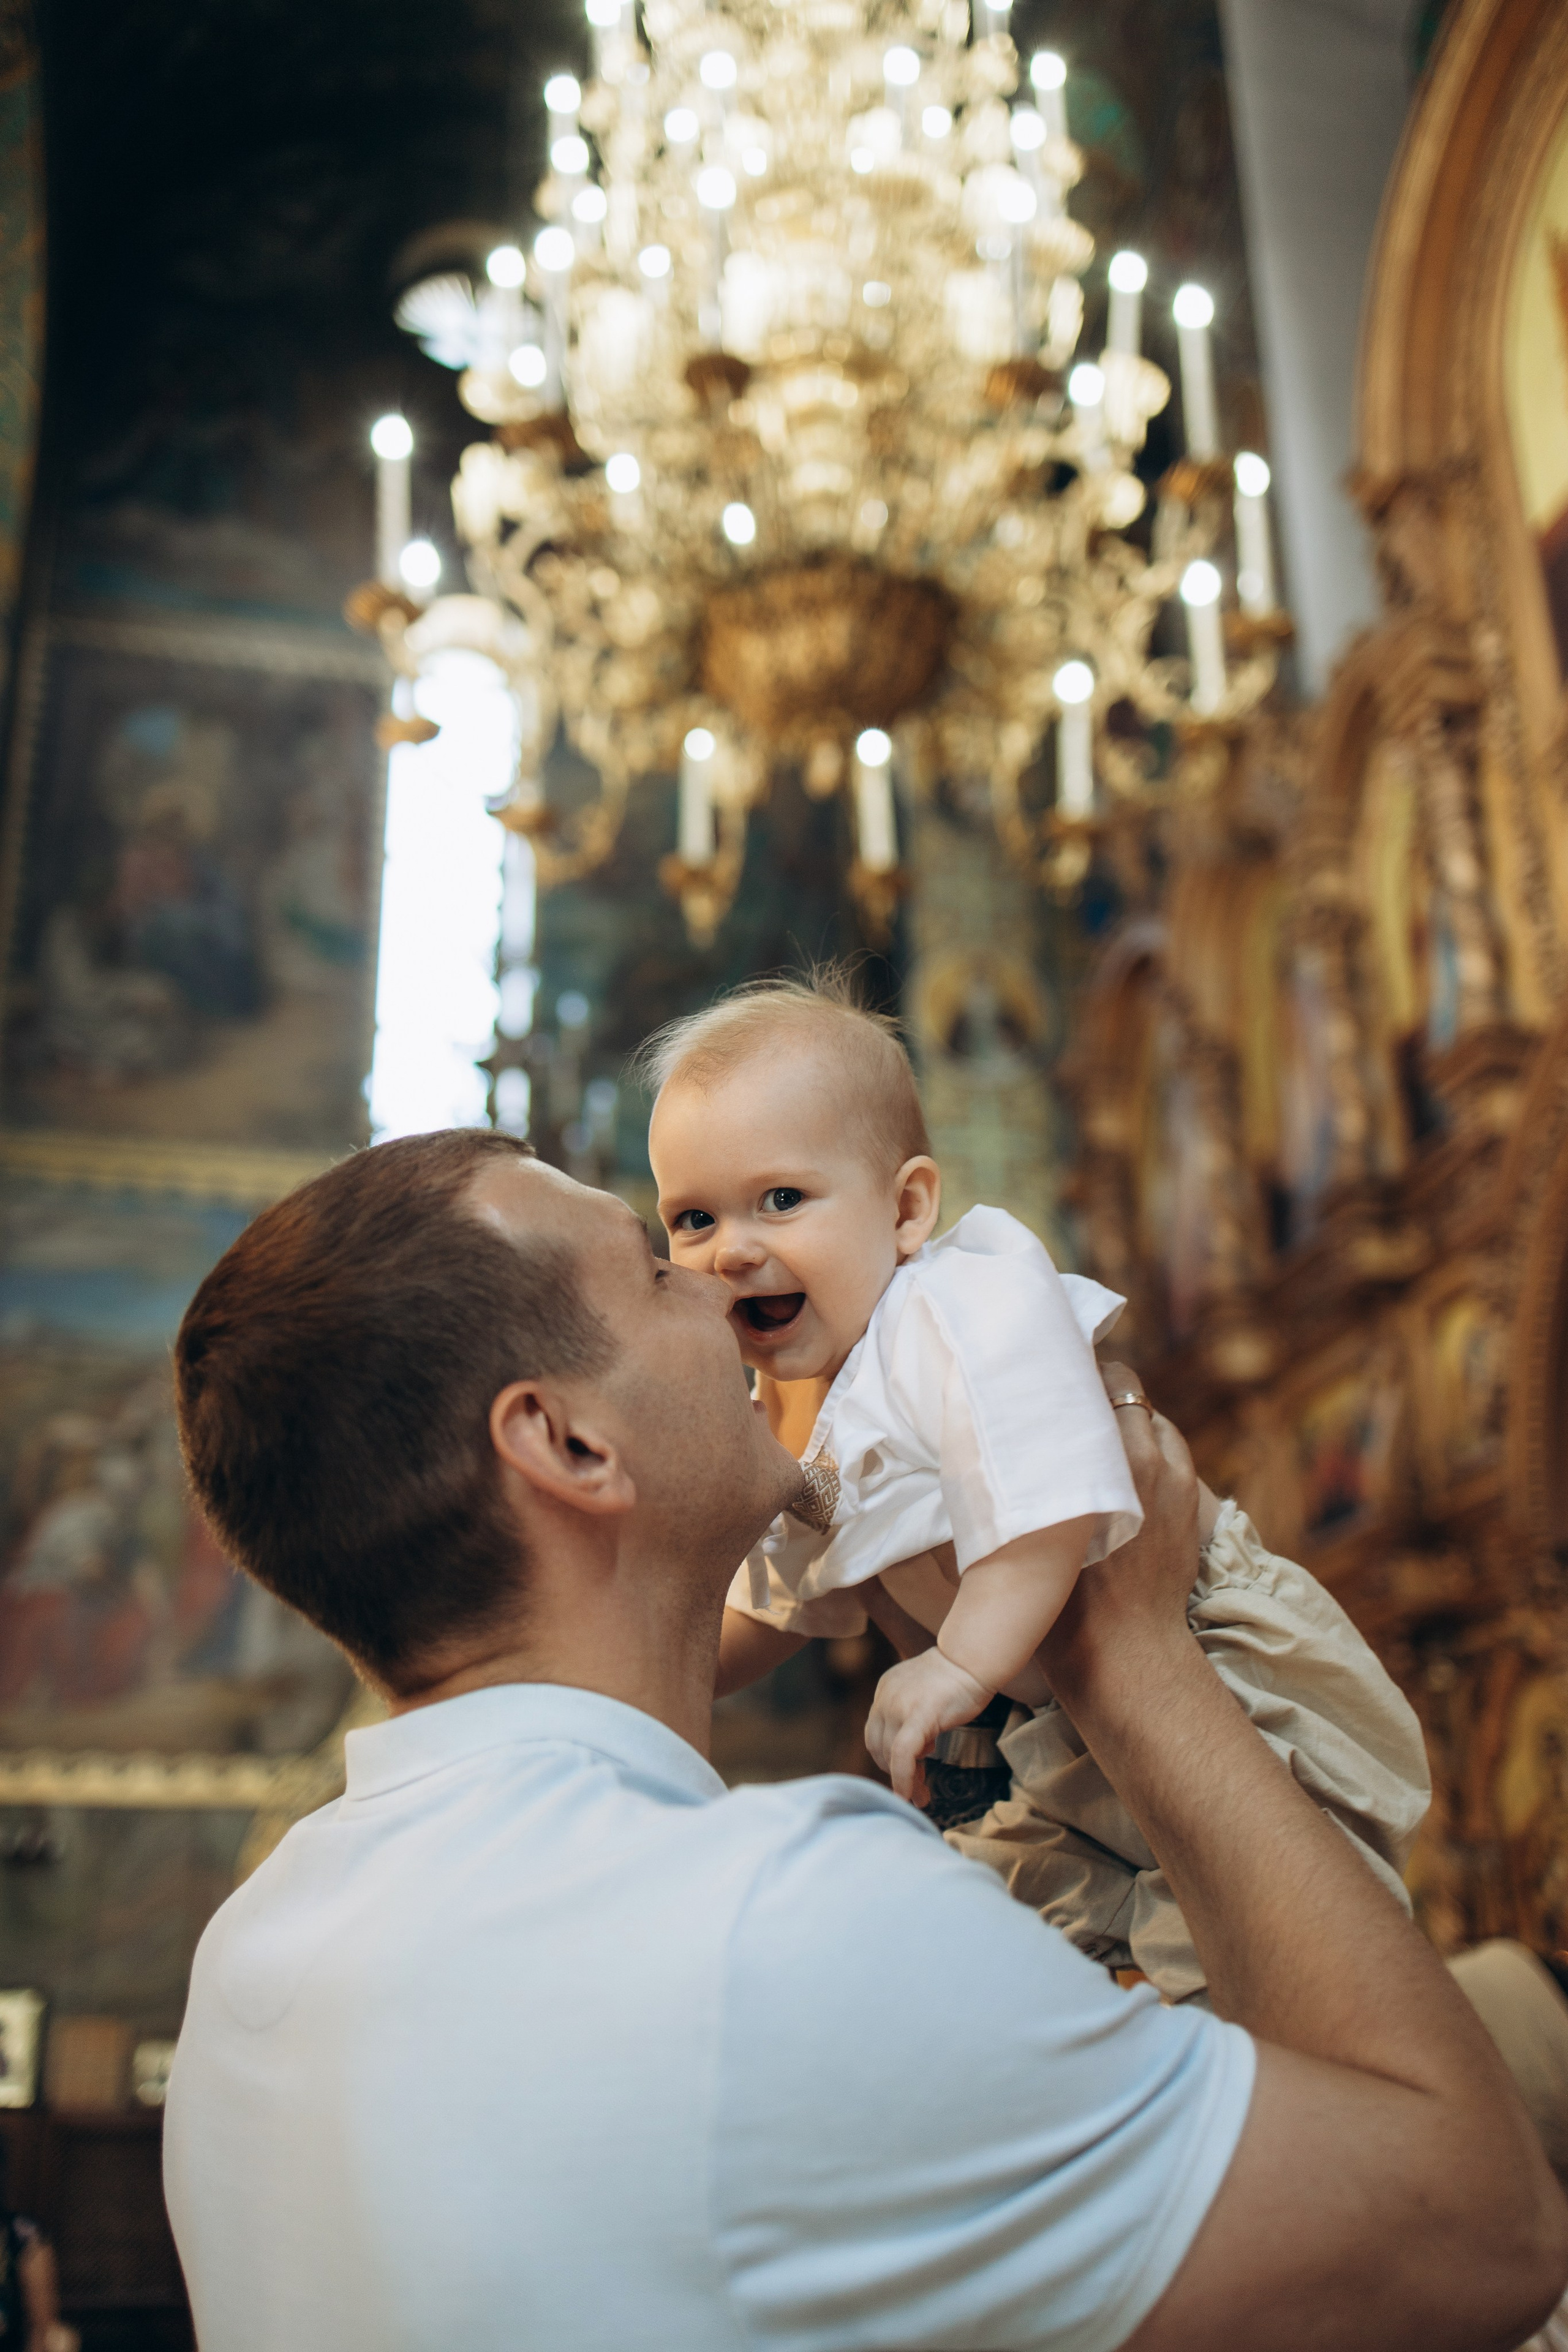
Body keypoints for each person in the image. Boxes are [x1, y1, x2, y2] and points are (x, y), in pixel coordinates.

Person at [163, 1129, 1567, 2351]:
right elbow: (1476, 2231)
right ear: (568, 1447)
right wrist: (1130, 1655)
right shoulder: (772, 1921)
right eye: (658, 1267)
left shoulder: (250, 1948)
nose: (718, 1277)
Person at [643, 976, 1429, 2000]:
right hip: (1038, 1725)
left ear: (908, 1207)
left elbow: (1052, 1498)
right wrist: (650, 1665)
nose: (733, 1247)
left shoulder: (957, 1307)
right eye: (692, 1219)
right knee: (1048, 1944)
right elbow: (774, 1612)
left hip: (1196, 1656)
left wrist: (957, 1668)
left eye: (782, 1199)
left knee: (1253, 1934)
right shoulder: (784, 1409)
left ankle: (1298, 2083)